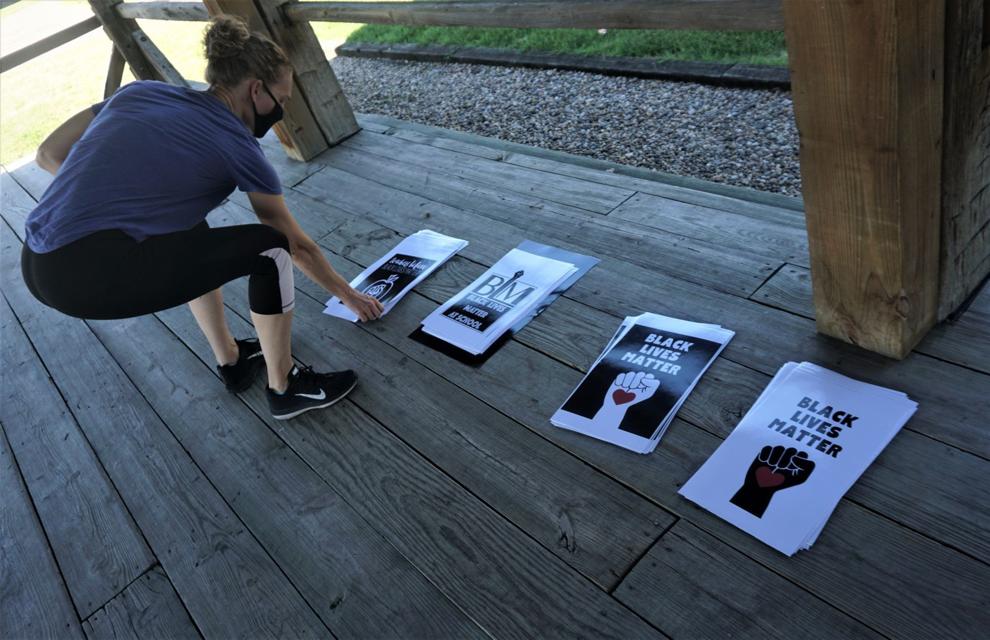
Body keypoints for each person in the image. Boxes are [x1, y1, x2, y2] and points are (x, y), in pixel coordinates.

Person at [20, 15, 383, 420]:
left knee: (189, 225)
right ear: (256, 89)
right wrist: (350, 296)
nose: (281, 111)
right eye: (280, 100)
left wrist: (115, 197)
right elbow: (295, 245)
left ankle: (232, 361)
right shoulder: (239, 146)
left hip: (35, 259)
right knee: (271, 250)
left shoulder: (142, 92)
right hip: (86, 278)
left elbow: (48, 154)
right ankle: (285, 387)